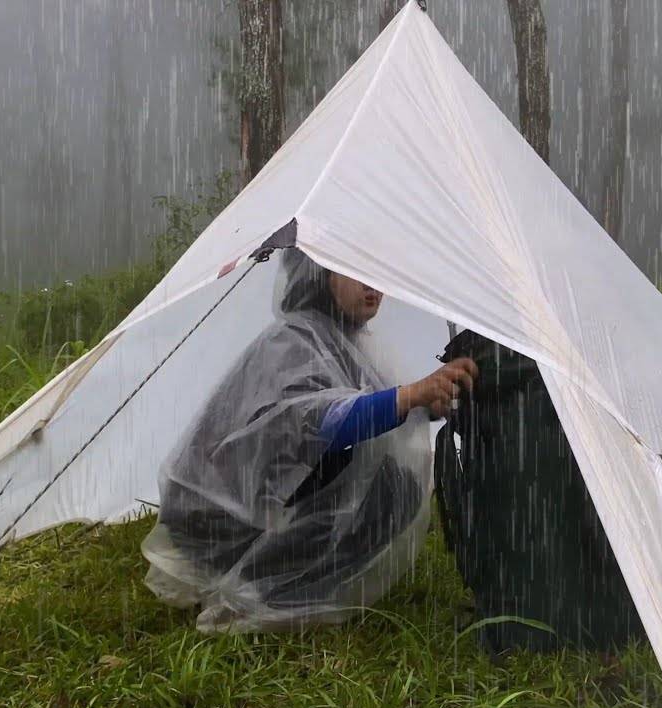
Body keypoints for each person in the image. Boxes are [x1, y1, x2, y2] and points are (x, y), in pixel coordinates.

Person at [142, 247, 477, 632]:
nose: (372, 285)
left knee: (390, 481)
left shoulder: (350, 340)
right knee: (375, 484)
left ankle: (290, 588)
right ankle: (253, 596)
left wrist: (429, 401)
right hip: (219, 514)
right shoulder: (294, 338)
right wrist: (412, 396)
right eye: (355, 271)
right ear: (318, 275)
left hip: (258, 498)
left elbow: (377, 410)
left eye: (375, 271)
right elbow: (316, 423)